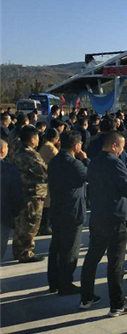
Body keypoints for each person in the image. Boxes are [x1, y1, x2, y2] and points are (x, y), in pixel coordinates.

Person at [80, 132, 127, 316]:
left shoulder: (94, 162)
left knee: (92, 257)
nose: (122, 150)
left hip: (98, 215)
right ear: (114, 146)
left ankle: (86, 297)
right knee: (116, 262)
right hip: (115, 216)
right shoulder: (115, 163)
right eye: (121, 147)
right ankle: (117, 303)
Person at [47, 131, 89, 295]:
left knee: (56, 246)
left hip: (57, 207)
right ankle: (65, 283)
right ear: (76, 146)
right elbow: (89, 175)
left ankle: (54, 282)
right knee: (70, 249)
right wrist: (85, 159)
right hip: (72, 210)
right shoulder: (75, 164)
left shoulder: (55, 161)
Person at [11, 125, 48, 263]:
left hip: (21, 192)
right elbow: (44, 172)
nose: (38, 140)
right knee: (31, 224)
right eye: (37, 137)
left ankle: (18, 250)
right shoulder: (31, 155)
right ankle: (26, 252)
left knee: (21, 224)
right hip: (32, 193)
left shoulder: (17, 151)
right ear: (32, 139)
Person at [1, 139, 23, 261]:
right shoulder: (10, 169)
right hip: (3, 215)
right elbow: (16, 194)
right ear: (3, 150)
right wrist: (16, 212)